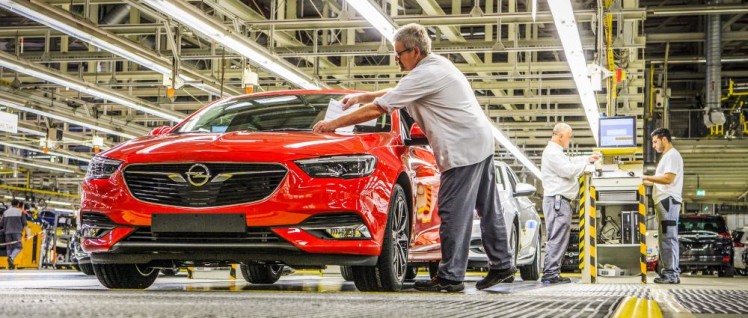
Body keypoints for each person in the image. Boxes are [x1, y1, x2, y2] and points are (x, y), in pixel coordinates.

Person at [313, 23, 515, 292]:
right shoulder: (434, 67)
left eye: (399, 54)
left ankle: (451, 277)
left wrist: (333, 124)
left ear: (415, 51)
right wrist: (362, 95)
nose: (396, 59)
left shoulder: (425, 74)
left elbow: (380, 108)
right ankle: (502, 265)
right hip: (478, 142)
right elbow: (395, 91)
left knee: (453, 211)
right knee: (487, 208)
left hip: (463, 149)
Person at [540, 123, 599, 284]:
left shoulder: (556, 152)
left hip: (558, 201)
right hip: (557, 201)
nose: (570, 139)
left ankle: (552, 272)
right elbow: (568, 170)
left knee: (559, 236)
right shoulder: (552, 152)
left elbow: (570, 162)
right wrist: (586, 165)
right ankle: (550, 273)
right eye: (569, 136)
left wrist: (587, 158)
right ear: (560, 136)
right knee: (557, 237)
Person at [643, 128, 683, 284]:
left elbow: (668, 179)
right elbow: (660, 180)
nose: (653, 145)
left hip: (668, 201)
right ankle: (669, 272)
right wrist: (642, 180)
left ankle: (671, 274)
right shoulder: (667, 157)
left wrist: (646, 176)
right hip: (665, 201)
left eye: (655, 141)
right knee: (665, 238)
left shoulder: (672, 156)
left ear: (664, 139)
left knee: (668, 237)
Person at [2, 199, 27, 270]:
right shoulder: (20, 212)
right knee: (19, 247)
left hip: (7, 233)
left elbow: (1, 224)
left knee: (9, 248)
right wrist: (27, 234)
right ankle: (11, 257)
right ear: (18, 204)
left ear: (11, 204)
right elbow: (25, 224)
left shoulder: (5, 212)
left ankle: (10, 265)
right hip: (17, 233)